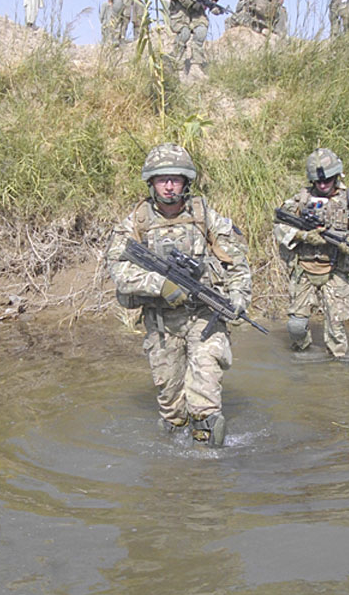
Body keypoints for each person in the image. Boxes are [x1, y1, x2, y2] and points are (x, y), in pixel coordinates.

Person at [106, 144, 251, 447]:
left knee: (205, 406)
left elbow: (237, 261)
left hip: (204, 319)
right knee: (173, 412)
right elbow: (118, 270)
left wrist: (238, 297)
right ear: (152, 182)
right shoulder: (137, 223)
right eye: (162, 179)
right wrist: (160, 285)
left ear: (187, 182)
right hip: (161, 326)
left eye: (175, 179)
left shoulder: (205, 217)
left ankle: (204, 469)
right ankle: (172, 473)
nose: (169, 186)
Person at [273, 149, 349, 358]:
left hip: (336, 270)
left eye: (327, 180)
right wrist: (303, 236)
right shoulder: (300, 200)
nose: (323, 184)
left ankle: (337, 370)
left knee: (336, 330)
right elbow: (279, 226)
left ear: (336, 176)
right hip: (304, 270)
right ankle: (303, 358)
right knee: (296, 327)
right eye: (318, 181)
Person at [158, 0, 223, 76]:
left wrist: (212, 4)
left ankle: (197, 63)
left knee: (201, 31)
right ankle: (174, 61)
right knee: (184, 33)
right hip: (179, 5)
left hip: (197, 6)